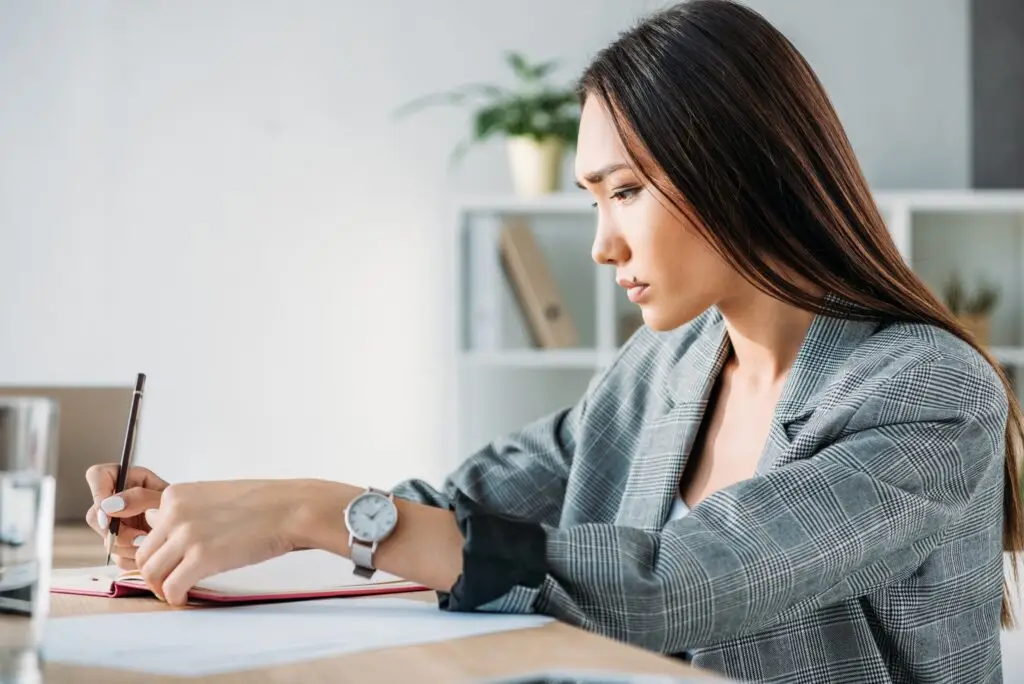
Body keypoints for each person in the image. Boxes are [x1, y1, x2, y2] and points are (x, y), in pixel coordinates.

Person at [83, 1, 1023, 682]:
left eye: (624, 192)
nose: (604, 243)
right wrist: (215, 524)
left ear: (742, 168)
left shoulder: (926, 393)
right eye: (591, 200)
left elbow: (676, 587)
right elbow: (461, 509)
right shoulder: (671, 364)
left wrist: (311, 512)